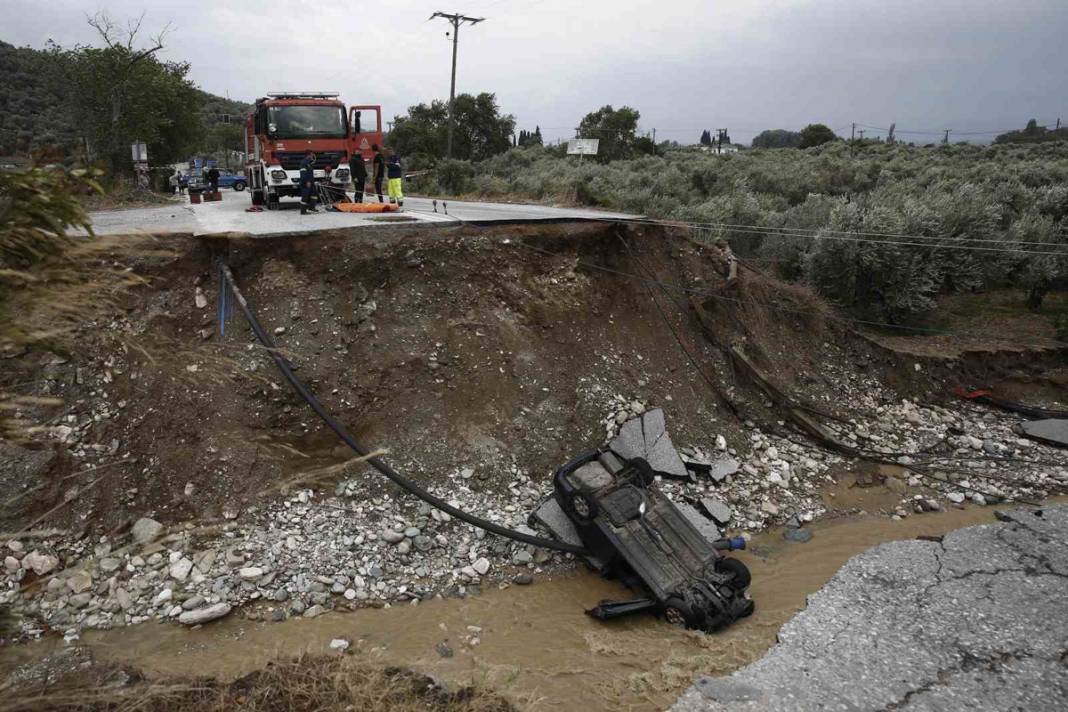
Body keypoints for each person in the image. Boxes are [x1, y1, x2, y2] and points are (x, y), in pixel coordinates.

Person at [299, 150, 318, 215]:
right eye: (312, 154)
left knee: (314, 194)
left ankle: (311, 207)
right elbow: (303, 174)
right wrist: (307, 182)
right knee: (305, 196)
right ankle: (303, 211)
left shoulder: (309, 163)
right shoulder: (304, 163)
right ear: (308, 155)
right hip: (306, 182)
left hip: (311, 182)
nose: (313, 156)